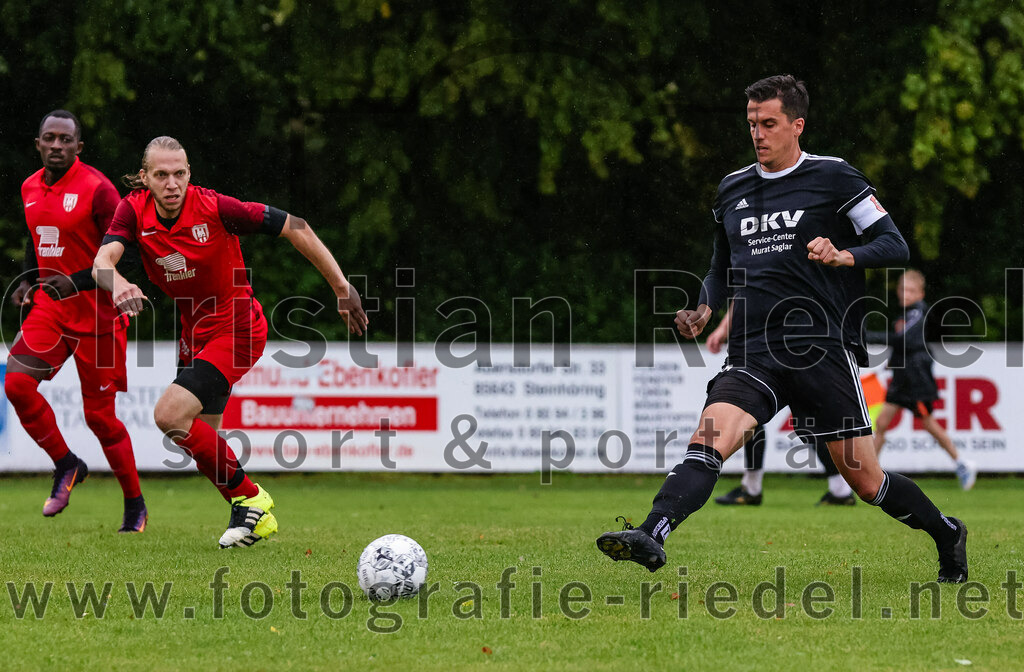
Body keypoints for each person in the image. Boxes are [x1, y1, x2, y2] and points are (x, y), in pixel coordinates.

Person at [597, 75, 967, 583]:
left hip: (820, 350)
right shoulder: (732, 189)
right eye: (752, 123)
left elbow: (894, 244)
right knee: (707, 441)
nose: (758, 133)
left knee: (866, 481)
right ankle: (651, 532)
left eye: (769, 123)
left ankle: (947, 532)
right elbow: (720, 269)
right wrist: (704, 307)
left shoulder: (834, 177)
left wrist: (844, 254)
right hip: (752, 351)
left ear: (797, 125)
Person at [92, 136, 368, 548]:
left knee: (169, 415)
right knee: (197, 437)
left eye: (179, 173)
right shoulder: (133, 210)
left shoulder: (215, 208)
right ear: (145, 178)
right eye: (162, 175)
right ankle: (247, 514)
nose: (172, 184)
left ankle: (252, 500)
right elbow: (101, 262)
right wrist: (116, 282)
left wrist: (342, 286)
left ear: (190, 173)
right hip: (194, 332)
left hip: (238, 328)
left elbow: (295, 226)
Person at [5, 110, 146, 532]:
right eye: (49, 138)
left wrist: (77, 281)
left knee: (100, 419)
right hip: (51, 308)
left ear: (78, 147)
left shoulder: (98, 190)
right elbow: (36, 239)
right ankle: (67, 463)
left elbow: (128, 254)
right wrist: (28, 280)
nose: (56, 145)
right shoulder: (29, 186)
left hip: (99, 316)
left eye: (65, 139)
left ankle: (135, 505)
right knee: (16, 385)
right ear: (38, 144)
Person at [706, 304, 855, 506]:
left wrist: (723, 328)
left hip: (770, 350)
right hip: (799, 347)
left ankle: (751, 488)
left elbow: (744, 295)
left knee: (751, 415)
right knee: (808, 422)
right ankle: (840, 490)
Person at [868, 270, 977, 489]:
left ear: (920, 294)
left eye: (911, 290)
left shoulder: (918, 312)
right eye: (903, 289)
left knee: (928, 423)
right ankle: (871, 474)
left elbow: (903, 340)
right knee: (881, 424)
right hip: (902, 379)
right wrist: (892, 362)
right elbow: (903, 345)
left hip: (916, 379)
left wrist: (866, 336)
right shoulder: (905, 315)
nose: (906, 294)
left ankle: (962, 463)